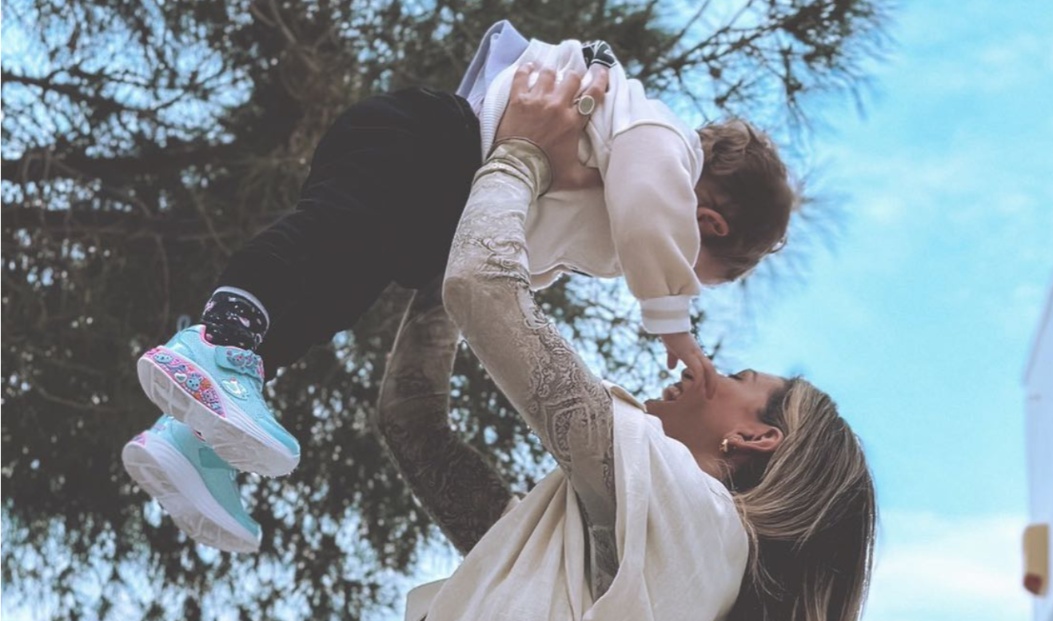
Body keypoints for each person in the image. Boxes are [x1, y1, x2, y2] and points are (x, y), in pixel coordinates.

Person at [379, 65, 876, 621]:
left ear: (757, 434)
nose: (703, 367)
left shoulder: (686, 510)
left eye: (738, 373)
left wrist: (519, 160)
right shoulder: (594, 550)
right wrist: (445, 249)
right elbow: (412, 422)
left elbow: (485, 289)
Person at [121, 21, 796, 553]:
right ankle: (217, 338)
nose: (673, 273)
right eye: (694, 269)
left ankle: (188, 435)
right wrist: (672, 322)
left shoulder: (610, 202)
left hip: (441, 203)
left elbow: (520, 257)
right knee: (326, 239)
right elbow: (650, 211)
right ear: (707, 222)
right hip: (433, 145)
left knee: (332, 296)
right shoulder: (664, 146)